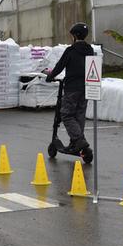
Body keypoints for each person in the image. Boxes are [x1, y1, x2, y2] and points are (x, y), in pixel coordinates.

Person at [46, 22, 94, 152]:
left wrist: (49, 76)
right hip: (87, 87)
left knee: (66, 114)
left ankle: (79, 140)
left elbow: (59, 66)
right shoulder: (90, 50)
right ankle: (75, 143)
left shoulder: (71, 50)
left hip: (72, 88)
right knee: (79, 115)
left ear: (74, 36)